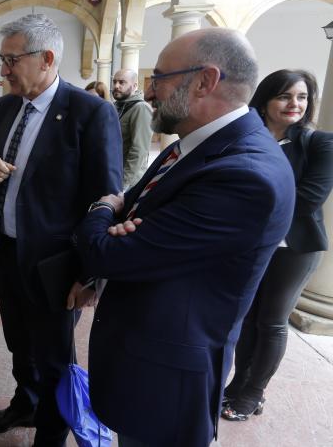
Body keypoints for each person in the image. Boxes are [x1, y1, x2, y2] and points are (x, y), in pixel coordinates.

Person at [73, 28, 295, 446]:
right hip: (143, 359)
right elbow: (132, 207)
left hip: (166, 380)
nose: (150, 91)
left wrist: (102, 210)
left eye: (159, 77)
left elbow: (106, 251)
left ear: (204, 81)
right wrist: (119, 220)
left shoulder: (245, 174)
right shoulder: (194, 146)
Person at [0, 14, 122, 446]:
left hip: (57, 263)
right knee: (19, 341)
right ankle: (25, 403)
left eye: (10, 59)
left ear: (47, 58)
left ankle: (51, 436)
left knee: (55, 355)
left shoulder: (90, 113)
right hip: (9, 250)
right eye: (2, 59)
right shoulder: (5, 106)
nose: (3, 70)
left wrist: (89, 274)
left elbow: (106, 199)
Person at [222, 69, 333, 421]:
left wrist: (247, 202)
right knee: (248, 317)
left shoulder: (320, 144)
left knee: (271, 320)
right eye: (284, 96)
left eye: (301, 97)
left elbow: (307, 200)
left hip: (295, 248)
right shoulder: (247, 137)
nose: (294, 104)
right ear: (266, 100)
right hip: (251, 244)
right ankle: (238, 386)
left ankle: (252, 395)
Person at [112, 68, 153, 188]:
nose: (116, 86)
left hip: (128, 183)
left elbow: (139, 150)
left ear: (135, 86)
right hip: (114, 175)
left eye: (122, 82)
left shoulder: (141, 108)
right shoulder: (117, 106)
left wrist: (123, 185)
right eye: (114, 82)